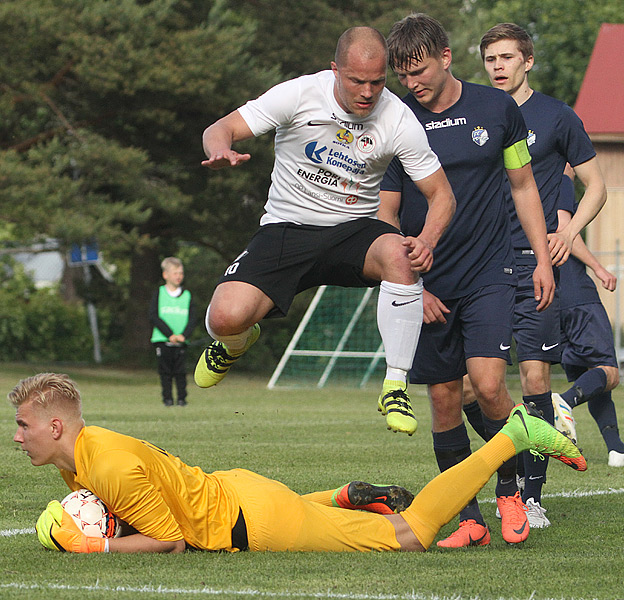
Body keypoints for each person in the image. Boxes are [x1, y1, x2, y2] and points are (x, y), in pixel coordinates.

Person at [195, 26, 457, 436]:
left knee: (401, 254)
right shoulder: (298, 94)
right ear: (335, 70)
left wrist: (426, 240)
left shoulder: (398, 118)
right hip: (287, 227)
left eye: (377, 82)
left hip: (353, 231)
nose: (368, 92)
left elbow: (442, 195)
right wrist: (220, 150)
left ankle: (395, 385)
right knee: (225, 317)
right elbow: (220, 128)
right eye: (357, 81)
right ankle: (234, 344)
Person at [9, 373, 586, 554]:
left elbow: (169, 544)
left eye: (24, 426)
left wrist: (96, 546)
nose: (17, 437)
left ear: (54, 426)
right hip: (235, 491)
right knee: (357, 522)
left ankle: (511, 437)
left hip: (253, 522)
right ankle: (340, 496)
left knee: (409, 536)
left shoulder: (103, 464)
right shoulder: (79, 458)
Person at [379, 13, 566, 548]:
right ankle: (469, 519)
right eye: (402, 74)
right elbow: (385, 215)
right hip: (427, 283)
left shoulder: (495, 108)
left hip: (490, 271)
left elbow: (524, 185)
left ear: (445, 57)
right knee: (442, 399)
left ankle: (511, 493)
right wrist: (411, 288)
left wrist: (542, 258)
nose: (411, 83)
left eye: (419, 71)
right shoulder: (396, 121)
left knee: (487, 386)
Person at [478, 22, 608, 527]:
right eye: (491, 58)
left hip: (536, 266)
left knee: (534, 377)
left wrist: (568, 232)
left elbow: (596, 185)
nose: (498, 66)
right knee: (476, 386)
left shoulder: (557, 116)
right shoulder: (477, 114)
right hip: (483, 266)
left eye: (508, 57)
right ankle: (505, 475)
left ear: (527, 61)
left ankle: (531, 497)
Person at [553, 173, 624, 467]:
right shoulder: (558, 181)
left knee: (594, 373)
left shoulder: (521, 182)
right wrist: (598, 267)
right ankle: (565, 402)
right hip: (574, 292)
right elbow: (563, 229)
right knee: (609, 372)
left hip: (548, 293)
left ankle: (617, 449)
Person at [148, 257, 200, 407]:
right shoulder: (159, 293)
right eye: (175, 273)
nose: (179, 276)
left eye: (181, 273)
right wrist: (169, 334)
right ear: (166, 275)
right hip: (163, 340)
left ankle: (182, 399)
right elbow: (153, 315)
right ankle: (167, 399)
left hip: (181, 341)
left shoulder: (187, 295)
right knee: (165, 372)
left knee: (180, 372)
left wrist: (184, 335)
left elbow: (192, 318)